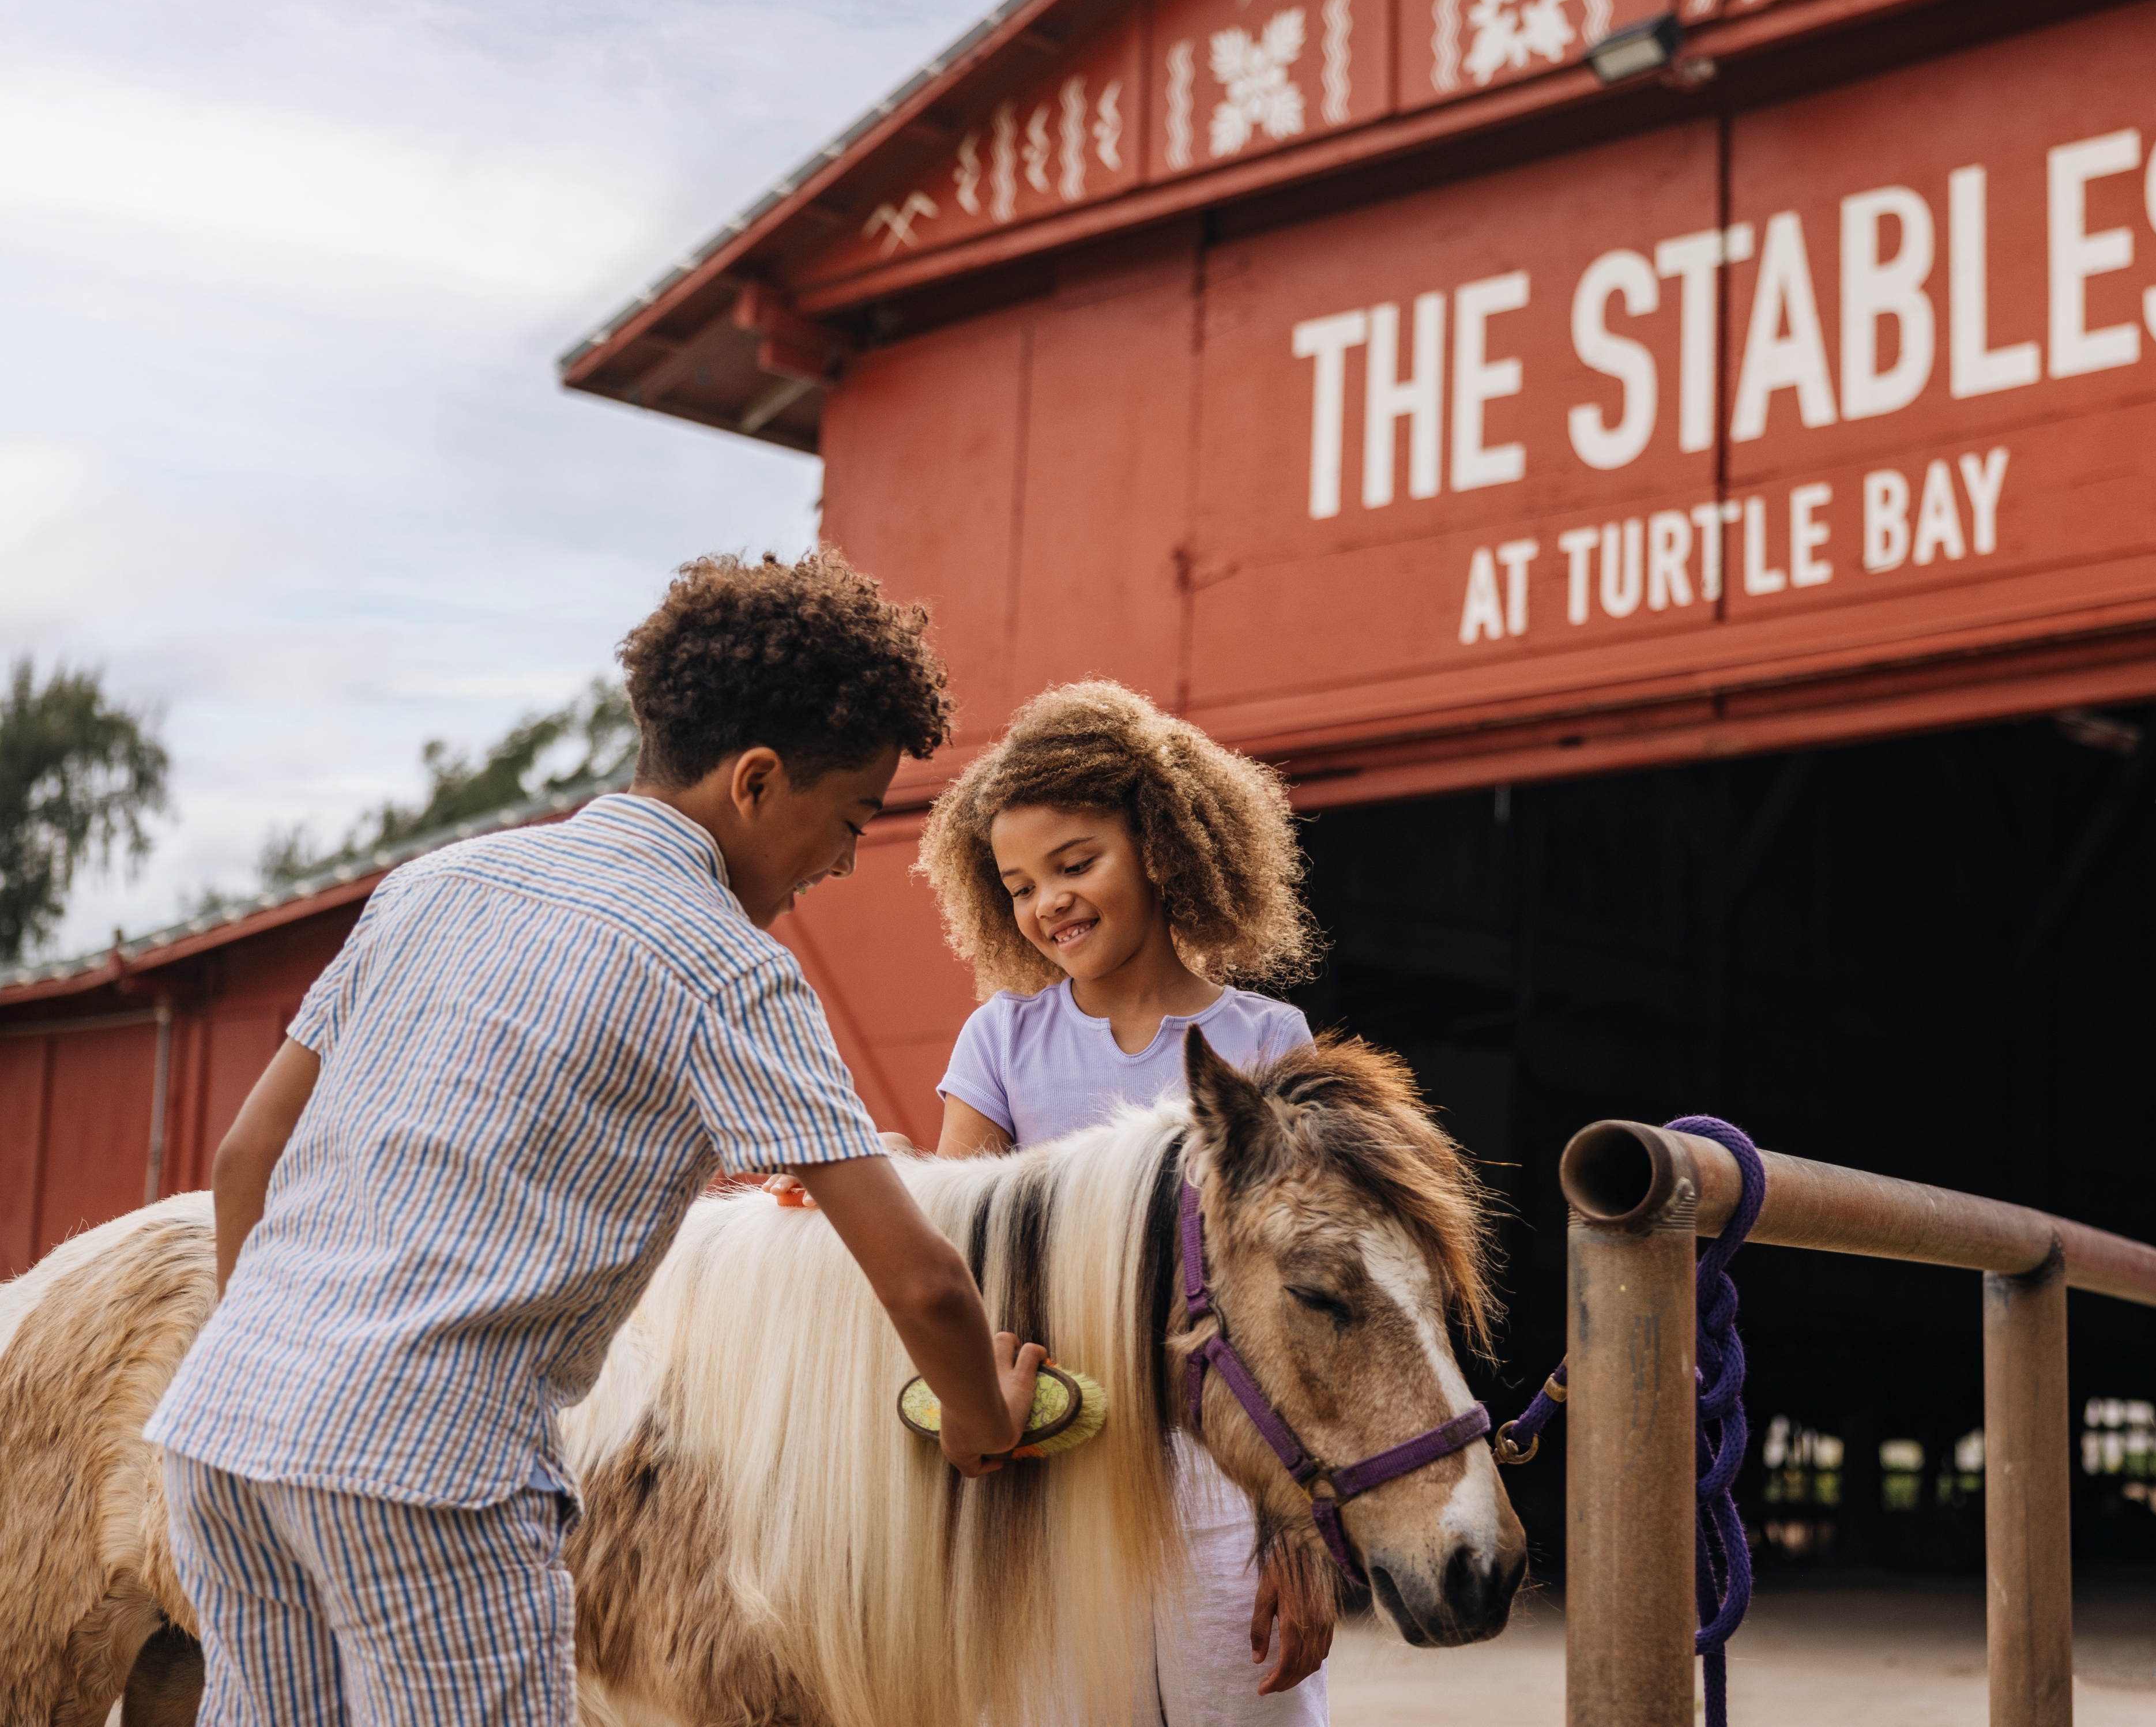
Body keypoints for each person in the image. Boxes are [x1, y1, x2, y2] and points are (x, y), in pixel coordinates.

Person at [145, 551, 1047, 1727]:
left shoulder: (433, 885)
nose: (838, 860)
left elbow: (243, 1161)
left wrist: (278, 1366)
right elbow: (923, 1282)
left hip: (222, 1432)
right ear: (758, 782)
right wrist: (982, 1421)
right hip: (424, 1465)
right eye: (850, 821)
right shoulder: (723, 966)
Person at [920, 678, 1336, 1726]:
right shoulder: (1000, 1042)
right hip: (1050, 1464)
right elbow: (953, 1245)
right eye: (1018, 885)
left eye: (1075, 864)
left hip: (1224, 1475)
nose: (1046, 902)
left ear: (1160, 844)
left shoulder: (1268, 1037)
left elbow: (1306, 1291)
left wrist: (1300, 1528)